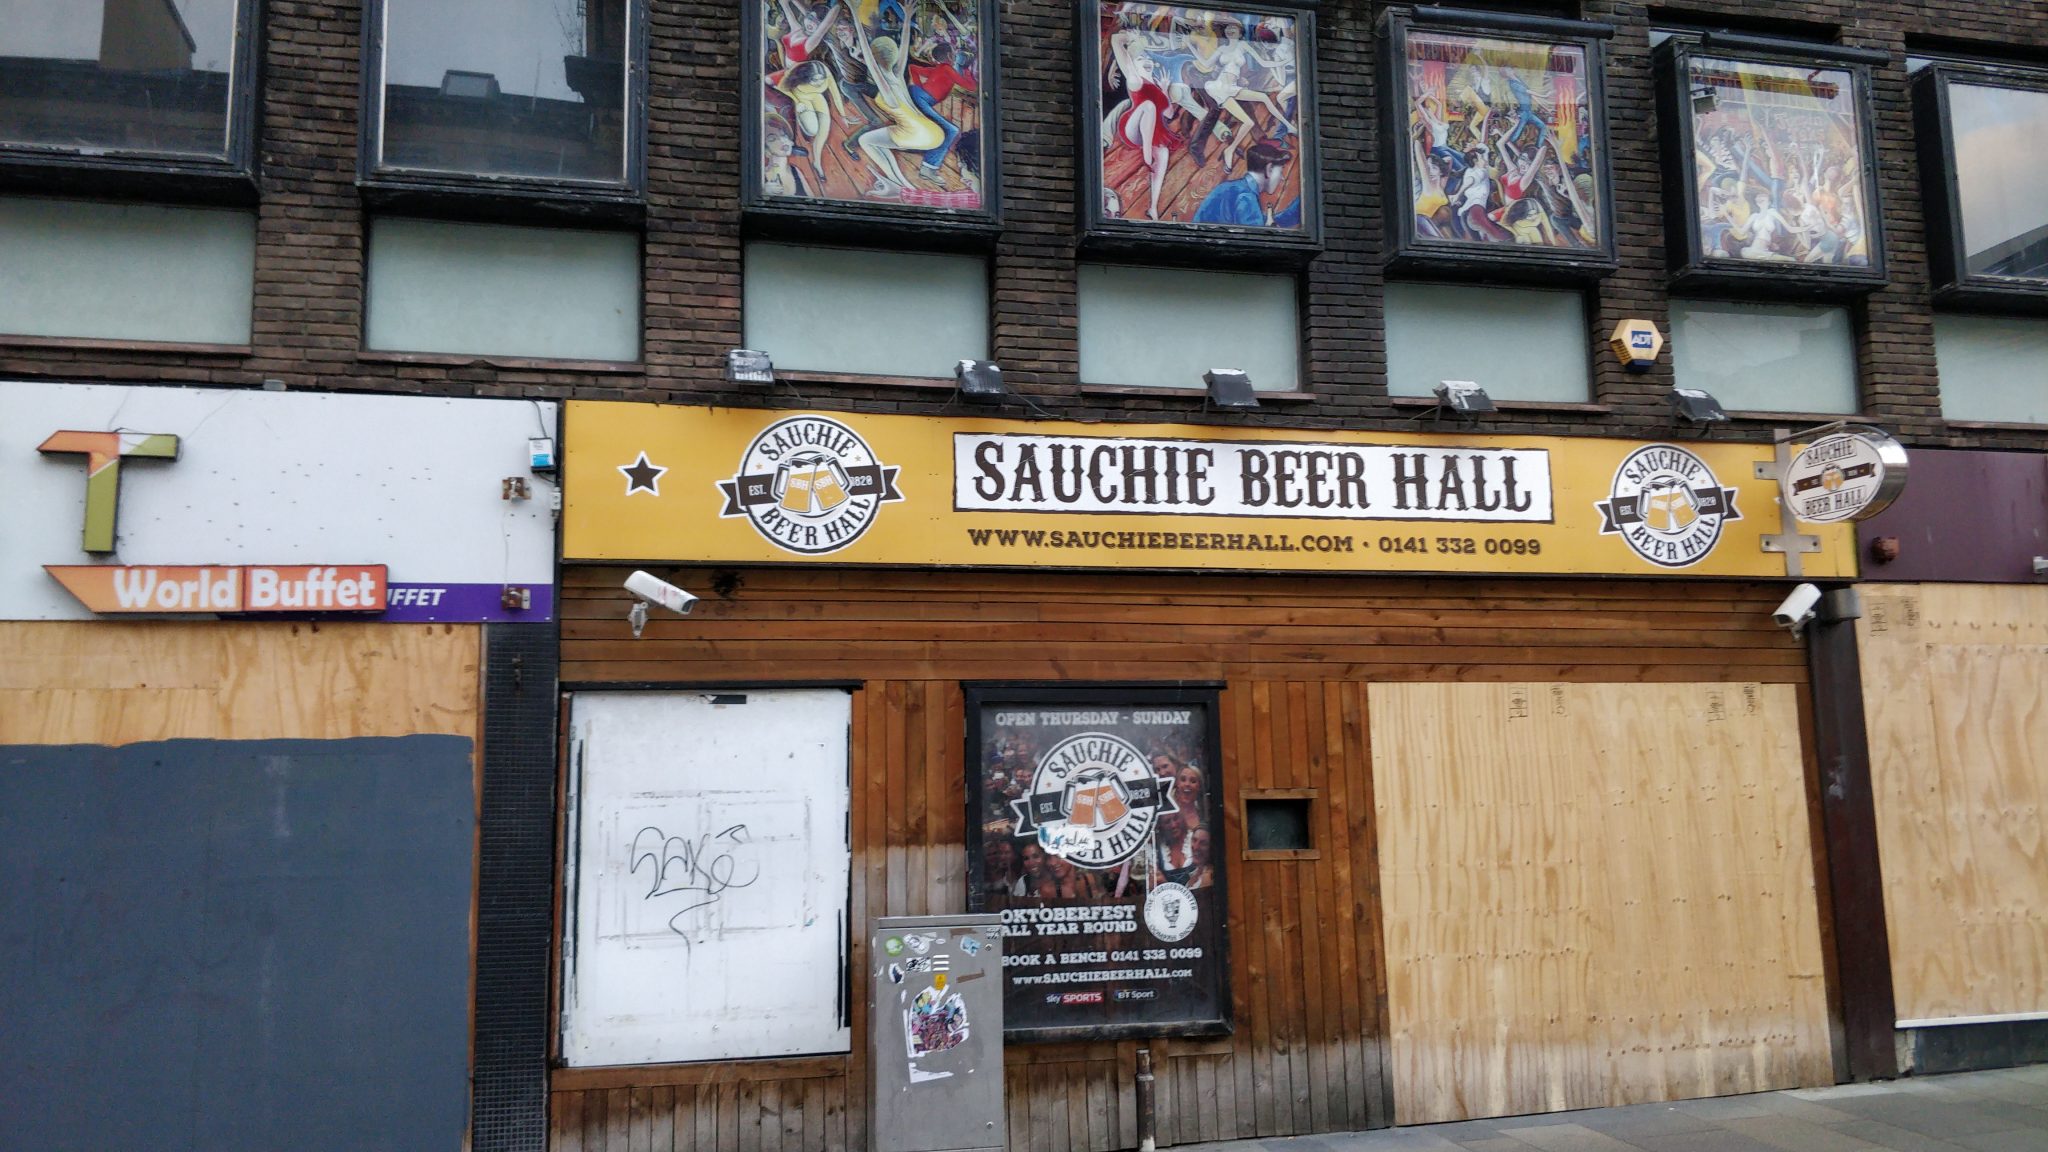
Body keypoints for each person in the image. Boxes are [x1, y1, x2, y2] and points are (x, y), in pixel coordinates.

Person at [906, 40, 976, 186]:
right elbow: (970, 87)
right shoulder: (948, 70)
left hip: (917, 95)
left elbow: (913, 68)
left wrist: (919, 87)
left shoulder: (939, 69)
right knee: (951, 130)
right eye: (954, 53)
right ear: (950, 55)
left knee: (941, 128)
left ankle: (923, 157)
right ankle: (929, 168)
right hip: (920, 98)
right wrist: (966, 68)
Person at [1191, 140, 1290, 226]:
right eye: (1281, 171)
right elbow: (1253, 241)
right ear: (1269, 169)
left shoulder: (1232, 187)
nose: (1282, 178)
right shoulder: (1247, 198)